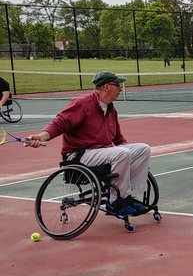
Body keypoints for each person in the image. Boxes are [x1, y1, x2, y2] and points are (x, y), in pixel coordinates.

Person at [24, 71, 152, 216]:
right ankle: (115, 200)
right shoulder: (82, 104)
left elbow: (117, 137)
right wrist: (41, 137)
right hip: (79, 155)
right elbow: (59, 123)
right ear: (107, 87)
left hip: (102, 151)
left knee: (143, 149)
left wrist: (127, 149)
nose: (121, 89)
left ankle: (126, 197)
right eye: (118, 85)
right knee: (123, 153)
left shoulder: (111, 109)